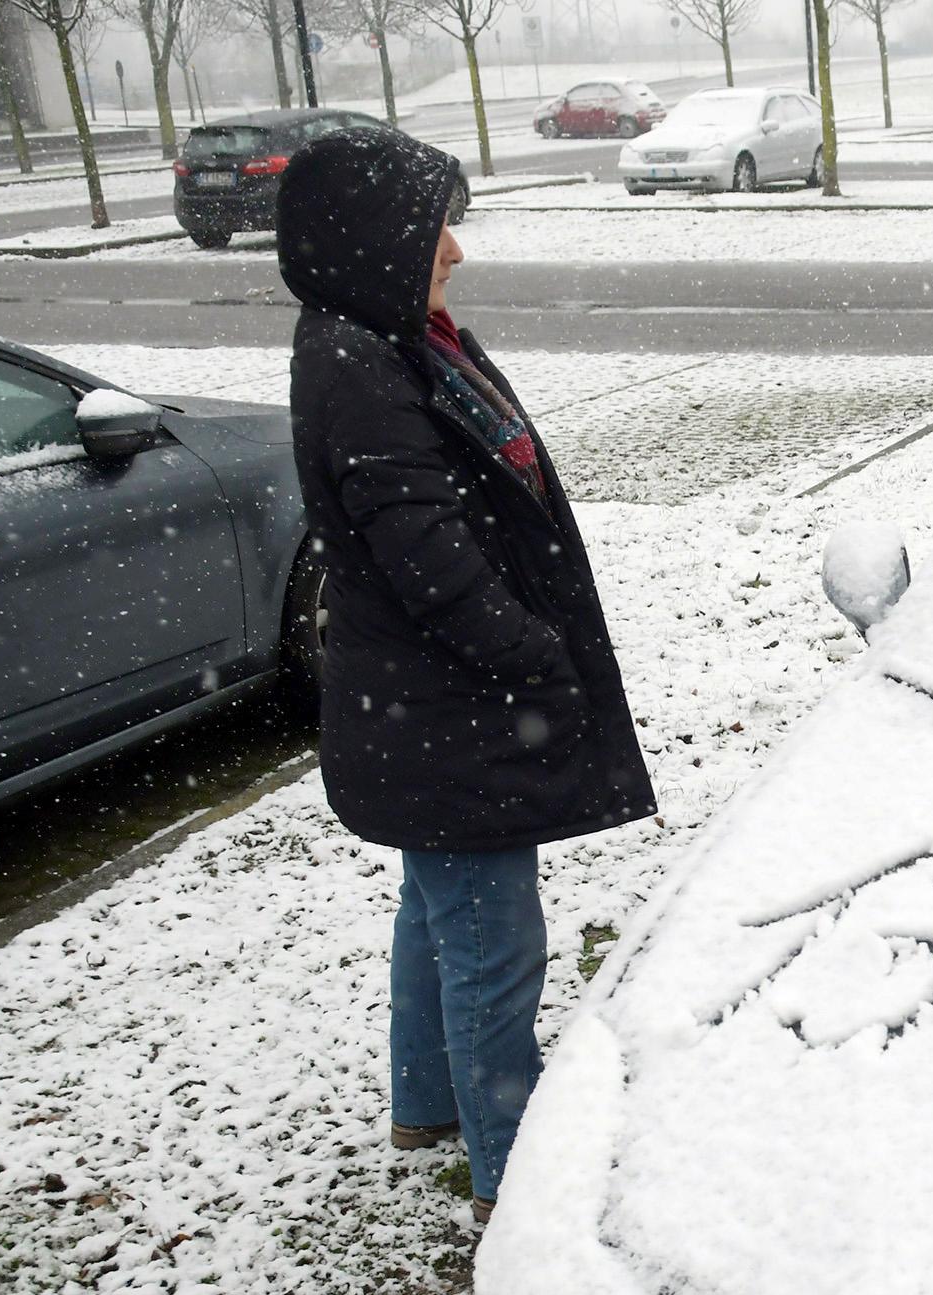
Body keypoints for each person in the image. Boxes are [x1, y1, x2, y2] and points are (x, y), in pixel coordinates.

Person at [276, 128, 655, 1227]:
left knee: (435, 909)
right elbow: (429, 560)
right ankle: (513, 1178)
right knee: (492, 942)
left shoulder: (389, 340)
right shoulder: (365, 365)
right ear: (372, 238)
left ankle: (425, 1105)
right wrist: (535, 655)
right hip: (451, 716)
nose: (455, 250)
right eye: (432, 224)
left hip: (418, 717)